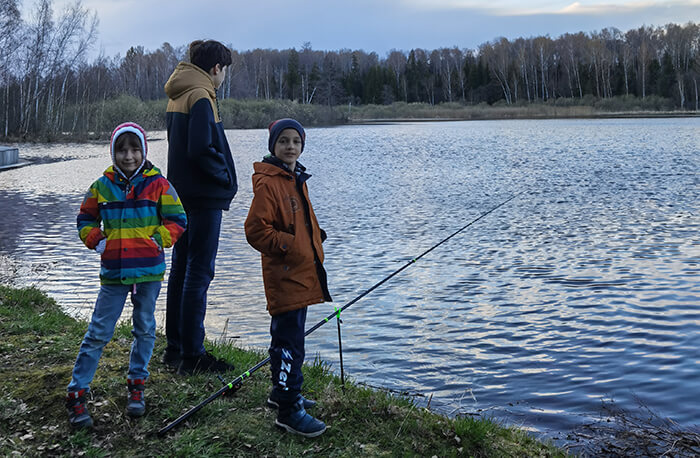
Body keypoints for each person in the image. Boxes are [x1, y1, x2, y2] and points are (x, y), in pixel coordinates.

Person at [66, 122, 187, 429]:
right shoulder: (101, 186)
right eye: (122, 150)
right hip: (114, 272)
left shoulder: (159, 184)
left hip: (148, 272)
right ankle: (77, 392)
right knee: (98, 332)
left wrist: (158, 239)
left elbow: (178, 219)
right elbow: (84, 219)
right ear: (114, 152)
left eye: (134, 149)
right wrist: (97, 239)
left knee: (145, 329)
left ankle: (137, 385)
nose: (129, 156)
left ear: (143, 150)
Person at [244, 118, 332, 438]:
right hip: (285, 276)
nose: (290, 146)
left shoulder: (294, 177)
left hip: (301, 274)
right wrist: (292, 245)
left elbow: (294, 220)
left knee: (292, 339)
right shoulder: (270, 182)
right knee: (289, 343)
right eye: (284, 141)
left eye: (296, 141)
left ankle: (280, 393)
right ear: (273, 146)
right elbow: (256, 230)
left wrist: (313, 237)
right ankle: (288, 409)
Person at [163, 39, 238, 375]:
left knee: (181, 269)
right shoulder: (202, 95)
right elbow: (199, 148)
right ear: (216, 68)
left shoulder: (178, 92)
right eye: (224, 72)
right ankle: (193, 354)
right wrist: (224, 175)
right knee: (199, 271)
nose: (223, 79)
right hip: (204, 197)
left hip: (180, 195)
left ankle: (175, 348)